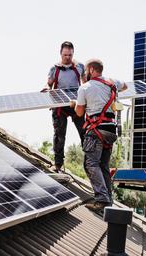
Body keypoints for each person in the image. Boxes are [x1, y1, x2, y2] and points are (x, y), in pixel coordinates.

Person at [72, 59, 127, 212]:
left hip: (95, 131)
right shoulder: (112, 82)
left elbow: (79, 112)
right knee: (103, 165)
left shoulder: (85, 88)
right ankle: (108, 199)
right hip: (110, 130)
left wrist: (75, 103)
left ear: (90, 70)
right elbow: (126, 86)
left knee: (90, 164)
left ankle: (102, 200)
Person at [41, 41, 86, 172]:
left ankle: (90, 163)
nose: (67, 57)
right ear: (61, 53)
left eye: (70, 55)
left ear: (73, 54)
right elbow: (48, 84)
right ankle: (58, 165)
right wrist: (46, 87)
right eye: (65, 55)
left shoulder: (80, 67)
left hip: (76, 104)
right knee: (59, 136)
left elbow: (86, 83)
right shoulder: (54, 69)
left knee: (85, 133)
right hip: (60, 106)